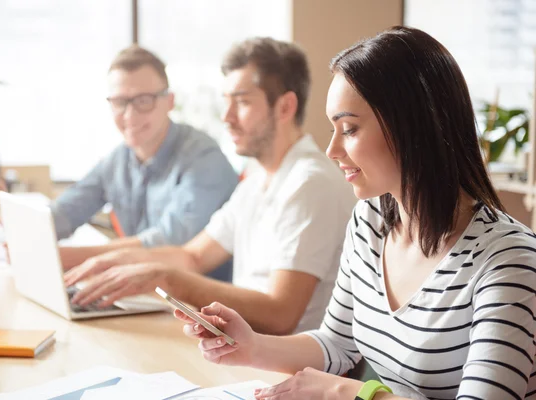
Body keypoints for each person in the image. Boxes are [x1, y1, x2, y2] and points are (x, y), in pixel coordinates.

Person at [175, 26, 536, 400]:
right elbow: (337, 343)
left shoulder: (509, 261)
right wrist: (249, 346)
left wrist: (350, 393)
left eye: (348, 129)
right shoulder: (371, 221)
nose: (332, 149)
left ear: (411, 127)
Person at [63, 37, 357, 335]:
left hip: (294, 370)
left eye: (241, 102)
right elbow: (194, 256)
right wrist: (117, 261)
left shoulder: (310, 183)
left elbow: (280, 314)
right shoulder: (257, 182)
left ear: (284, 107)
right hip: (252, 353)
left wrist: (167, 279)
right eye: (226, 101)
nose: (226, 117)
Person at [0, 45, 238, 280]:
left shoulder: (204, 158)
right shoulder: (118, 160)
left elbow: (170, 242)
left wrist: (65, 257)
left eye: (143, 101)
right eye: (120, 102)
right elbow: (63, 214)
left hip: (207, 308)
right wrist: (1, 208)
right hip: (145, 295)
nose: (130, 115)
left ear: (169, 101)